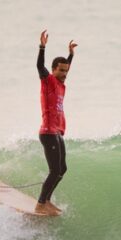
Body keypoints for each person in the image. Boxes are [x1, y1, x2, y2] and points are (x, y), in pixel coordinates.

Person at [35, 29, 77, 216]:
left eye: (66, 70)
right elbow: (39, 66)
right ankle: (41, 203)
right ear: (53, 70)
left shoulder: (61, 84)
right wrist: (42, 47)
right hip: (48, 132)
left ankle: (47, 200)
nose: (64, 73)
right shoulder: (48, 81)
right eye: (60, 70)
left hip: (57, 131)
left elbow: (66, 67)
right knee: (54, 170)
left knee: (62, 169)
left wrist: (70, 55)